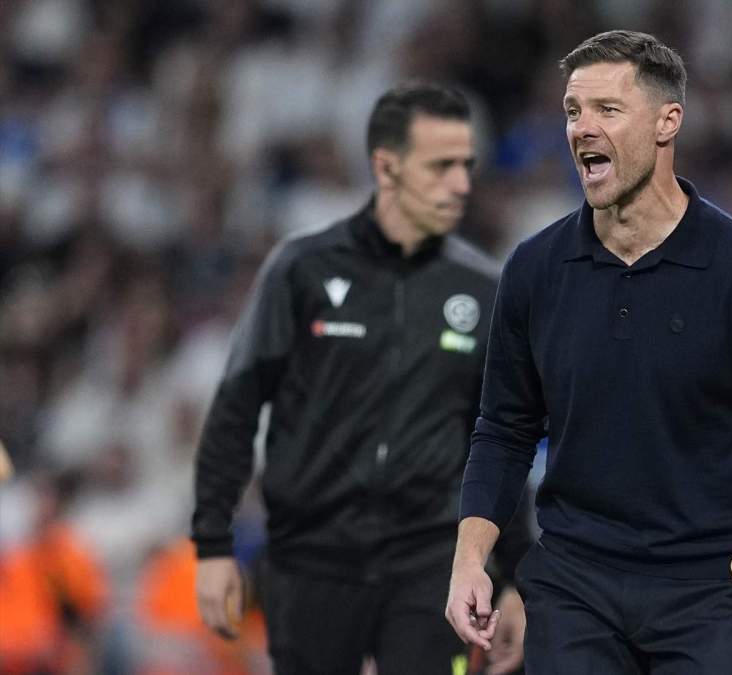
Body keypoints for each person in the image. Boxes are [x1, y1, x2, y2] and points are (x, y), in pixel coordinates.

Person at [446, 30, 732, 675]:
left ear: (668, 123)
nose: (582, 128)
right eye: (574, 111)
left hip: (713, 587)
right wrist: (472, 561)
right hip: (575, 580)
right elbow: (504, 429)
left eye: (608, 110)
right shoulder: (533, 271)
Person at [191, 82, 530, 675]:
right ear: (387, 167)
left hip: (430, 563)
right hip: (310, 560)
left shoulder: (486, 290)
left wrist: (517, 576)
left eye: (466, 166)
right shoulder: (301, 271)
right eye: (441, 166)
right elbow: (235, 409)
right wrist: (215, 544)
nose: (461, 184)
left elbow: (504, 439)